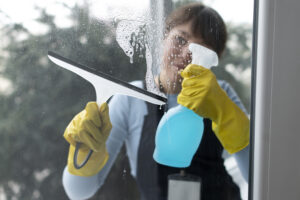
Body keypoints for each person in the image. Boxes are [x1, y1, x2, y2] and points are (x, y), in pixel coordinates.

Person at [62, 2, 250, 200]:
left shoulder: (222, 95)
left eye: (202, 49)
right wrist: (84, 150)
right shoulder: (130, 99)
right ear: (163, 39)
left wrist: (227, 114)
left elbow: (259, 176)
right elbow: (79, 192)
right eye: (180, 39)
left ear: (214, 60)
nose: (188, 53)